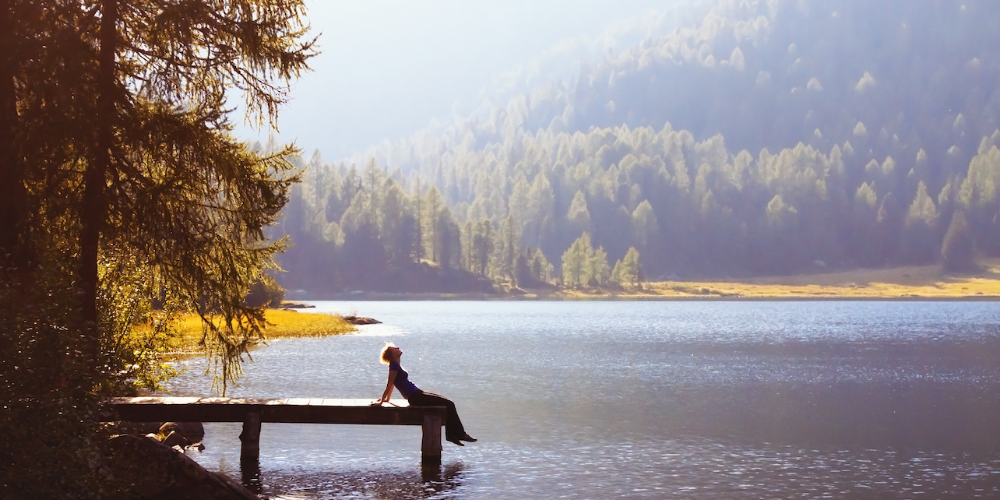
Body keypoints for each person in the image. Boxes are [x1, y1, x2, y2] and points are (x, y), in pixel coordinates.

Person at [376, 343, 476, 446]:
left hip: (417, 394)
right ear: (393, 354)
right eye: (395, 348)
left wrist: (387, 399)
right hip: (415, 397)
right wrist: (383, 400)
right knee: (449, 404)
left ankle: (453, 435)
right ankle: (458, 434)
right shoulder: (394, 365)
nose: (398, 348)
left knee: (448, 403)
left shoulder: (395, 364)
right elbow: (389, 384)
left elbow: (393, 383)